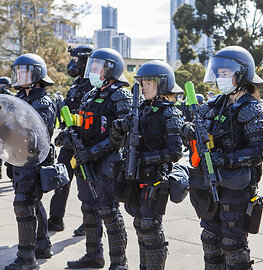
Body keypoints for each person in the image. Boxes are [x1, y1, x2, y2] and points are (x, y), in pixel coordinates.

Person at [180, 46, 263, 270]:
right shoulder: (213, 105)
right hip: (209, 183)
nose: (221, 77)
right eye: (219, 73)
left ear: (241, 74)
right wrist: (188, 131)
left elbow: (260, 151)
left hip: (236, 186)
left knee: (233, 246)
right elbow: (190, 130)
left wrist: (227, 160)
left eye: (226, 73)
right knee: (210, 240)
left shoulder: (251, 108)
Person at [110, 60, 185, 270]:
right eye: (142, 83)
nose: (144, 87)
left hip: (155, 178)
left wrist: (145, 159)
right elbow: (119, 137)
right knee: (139, 224)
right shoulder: (140, 109)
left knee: (150, 227)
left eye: (148, 83)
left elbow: (175, 152)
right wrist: (118, 127)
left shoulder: (170, 113)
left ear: (162, 84)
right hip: (134, 176)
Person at [65, 48, 132, 269]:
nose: (92, 70)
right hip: (85, 161)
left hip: (107, 162)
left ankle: (118, 262)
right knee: (88, 209)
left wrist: (92, 152)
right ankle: (93, 255)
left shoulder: (120, 95)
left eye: (97, 67)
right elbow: (81, 122)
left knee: (109, 211)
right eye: (91, 66)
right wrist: (68, 135)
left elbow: (123, 134)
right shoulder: (90, 94)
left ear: (111, 70)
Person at [5, 53, 57, 270]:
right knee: (33, 203)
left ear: (37, 74)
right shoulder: (20, 99)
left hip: (33, 161)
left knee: (23, 203)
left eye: (24, 71)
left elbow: (39, 134)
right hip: (19, 160)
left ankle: (26, 258)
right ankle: (42, 245)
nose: (19, 75)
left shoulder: (43, 101)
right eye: (18, 71)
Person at [50, 44, 95, 233]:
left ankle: (89, 222)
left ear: (85, 60)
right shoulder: (76, 83)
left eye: (75, 59)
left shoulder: (93, 84)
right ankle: (55, 219)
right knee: (61, 178)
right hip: (70, 139)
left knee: (85, 184)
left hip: (84, 142)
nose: (72, 63)